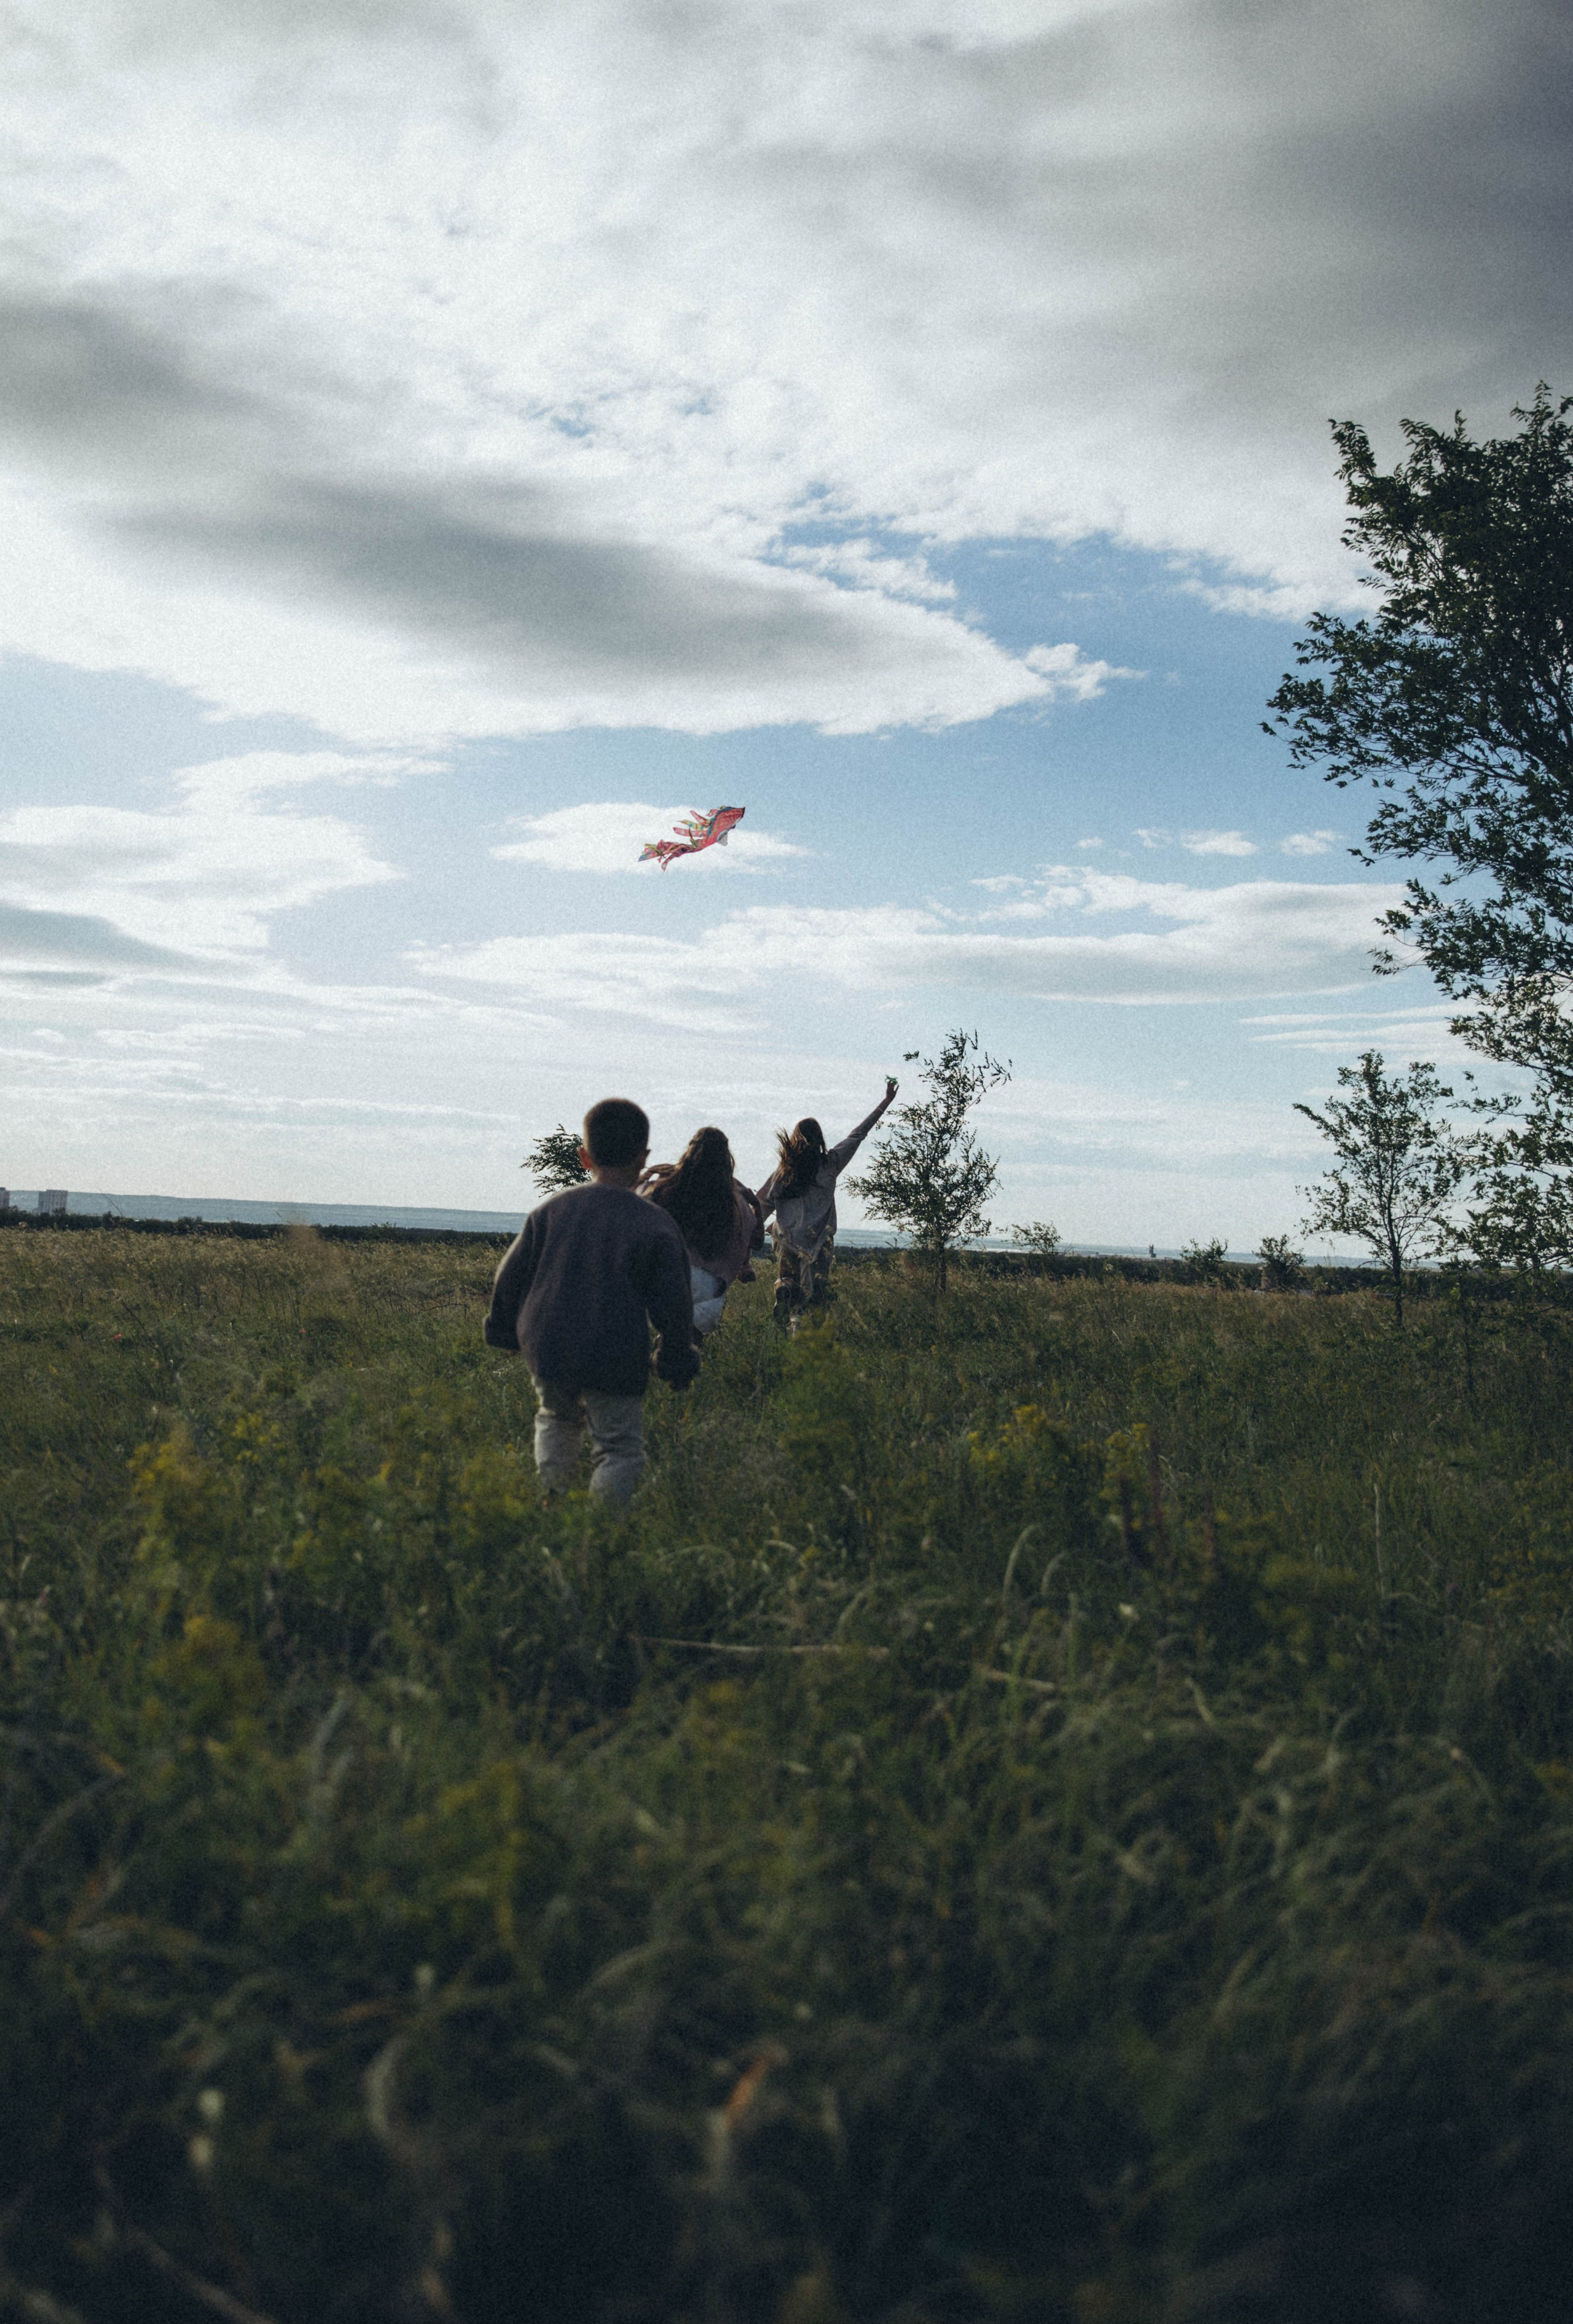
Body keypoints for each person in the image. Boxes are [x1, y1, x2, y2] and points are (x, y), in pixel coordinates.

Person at [483, 1097, 698, 1502]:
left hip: (549, 1345)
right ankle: (602, 1529)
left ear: (584, 1157)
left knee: (557, 1419)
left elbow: (509, 1275)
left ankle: (555, 1497)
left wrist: (503, 1331)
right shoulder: (655, 1224)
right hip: (614, 1350)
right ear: (643, 1158)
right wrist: (676, 1357)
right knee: (618, 1446)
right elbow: (674, 1302)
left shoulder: (551, 1211)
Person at [758, 1079, 898, 1328]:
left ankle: (785, 1290)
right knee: (815, 1294)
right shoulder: (830, 1165)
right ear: (820, 1138)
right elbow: (858, 1134)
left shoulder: (784, 1171)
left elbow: (762, 1204)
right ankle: (800, 1333)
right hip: (818, 1240)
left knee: (788, 1279)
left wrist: (747, 1231)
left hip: (786, 1236)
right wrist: (885, 1102)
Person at [640, 1127, 763, 1339]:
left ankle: (668, 1344)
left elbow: (636, 1208)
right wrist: (756, 1206)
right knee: (689, 1342)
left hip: (666, 1277)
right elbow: (758, 1241)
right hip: (708, 1287)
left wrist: (649, 1175)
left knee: (673, 1336)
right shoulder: (735, 1203)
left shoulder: (664, 1189)